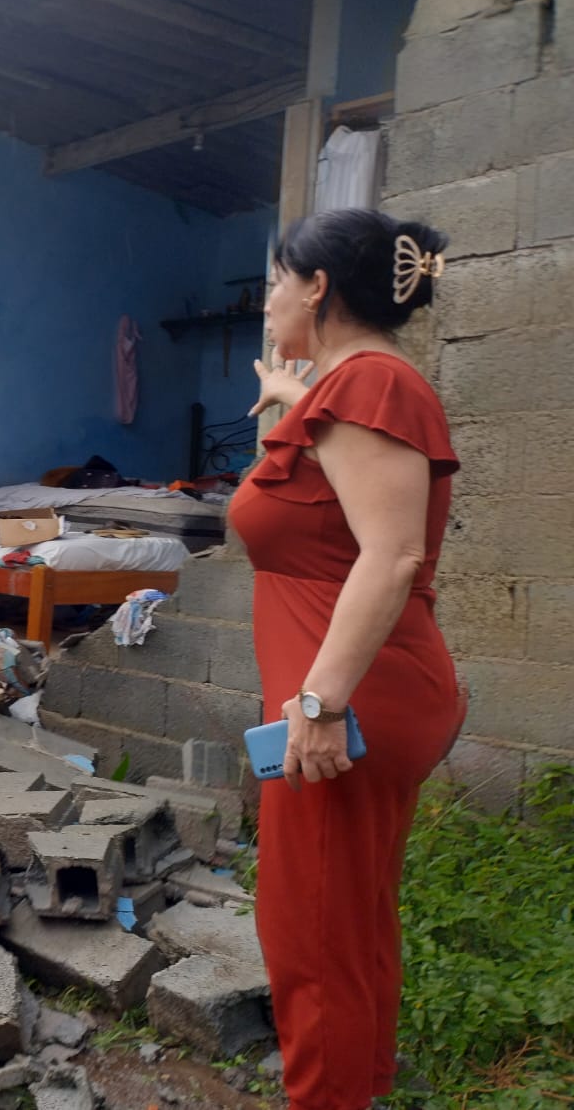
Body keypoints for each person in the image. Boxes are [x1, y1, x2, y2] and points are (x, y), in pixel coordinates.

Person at [230, 208, 466, 1110]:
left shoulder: (375, 385)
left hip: (348, 709)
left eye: (279, 280)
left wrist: (320, 703)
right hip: (349, 698)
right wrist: (294, 396)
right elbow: (344, 475)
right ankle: (356, 1090)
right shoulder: (353, 388)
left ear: (319, 287)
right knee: (348, 924)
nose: (271, 299)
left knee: (313, 940)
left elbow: (392, 553)